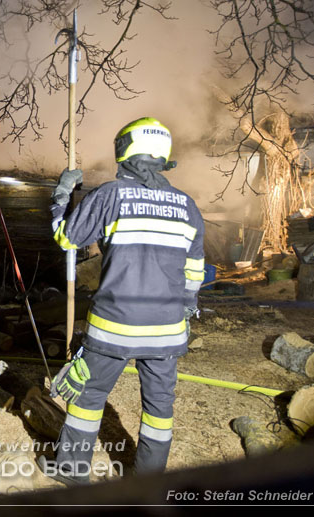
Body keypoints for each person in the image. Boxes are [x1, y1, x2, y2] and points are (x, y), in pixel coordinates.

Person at [41, 117, 205, 485]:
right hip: (167, 332)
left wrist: (61, 196)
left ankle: (71, 470)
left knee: (88, 397)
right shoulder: (187, 206)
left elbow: (67, 239)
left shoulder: (111, 195)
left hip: (114, 328)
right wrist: (185, 310)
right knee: (160, 410)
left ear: (125, 151)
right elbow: (195, 271)